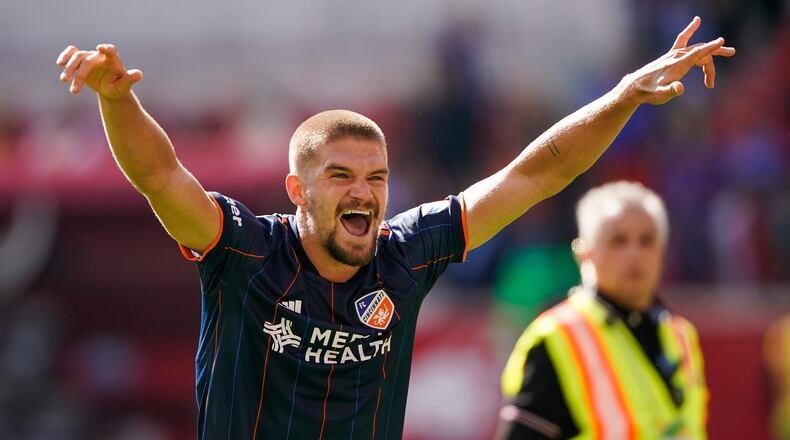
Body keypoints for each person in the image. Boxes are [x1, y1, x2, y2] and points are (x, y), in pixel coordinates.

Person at [55, 17, 733, 439]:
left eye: (377, 178)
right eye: (342, 177)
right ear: (297, 190)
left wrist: (622, 97)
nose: (365, 193)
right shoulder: (245, 251)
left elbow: (534, 175)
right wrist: (119, 100)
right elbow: (162, 177)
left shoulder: (406, 256)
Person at [497, 181, 708, 439]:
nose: (635, 254)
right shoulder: (558, 337)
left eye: (647, 240)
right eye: (618, 241)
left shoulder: (681, 335)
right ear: (584, 253)